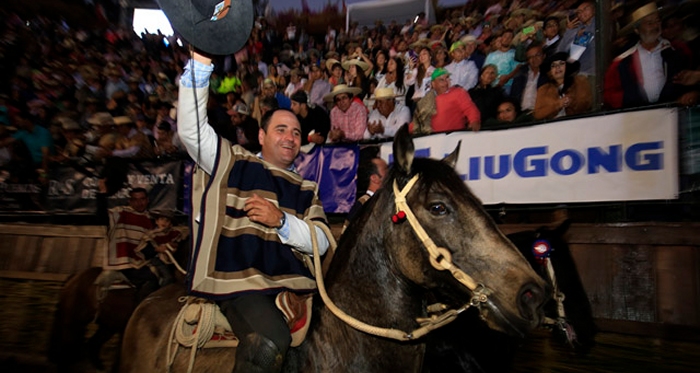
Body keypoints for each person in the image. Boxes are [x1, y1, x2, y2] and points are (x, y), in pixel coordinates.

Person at [178, 51, 332, 373]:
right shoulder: (234, 161)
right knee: (270, 336)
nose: (290, 137)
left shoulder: (307, 188)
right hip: (239, 281)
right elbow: (191, 131)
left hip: (293, 284)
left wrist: (283, 222)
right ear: (261, 135)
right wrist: (201, 64)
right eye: (281, 129)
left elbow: (322, 241)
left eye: (295, 133)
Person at [603, 3, 695, 110]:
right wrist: (631, 100)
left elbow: (692, 79)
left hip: (673, 115)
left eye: (657, 21)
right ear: (637, 30)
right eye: (649, 23)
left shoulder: (679, 52)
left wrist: (693, 93)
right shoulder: (622, 62)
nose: (655, 26)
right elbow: (609, 95)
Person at [533, 52, 592, 120]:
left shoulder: (580, 81)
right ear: (550, 71)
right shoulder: (544, 89)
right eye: (553, 65)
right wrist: (558, 105)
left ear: (567, 66)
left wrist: (571, 101)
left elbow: (586, 104)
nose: (557, 67)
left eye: (561, 63)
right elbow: (538, 114)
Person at [133, 210, 184, 286]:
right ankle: (161, 291)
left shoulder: (174, 233)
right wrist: (157, 249)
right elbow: (144, 248)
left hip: (171, 258)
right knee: (168, 277)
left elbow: (176, 244)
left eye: (167, 221)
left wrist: (172, 246)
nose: (164, 222)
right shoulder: (151, 234)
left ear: (170, 224)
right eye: (162, 219)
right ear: (157, 221)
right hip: (156, 258)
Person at [342, 149, 388, 232]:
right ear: (374, 178)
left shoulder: (387, 201)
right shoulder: (363, 205)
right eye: (386, 170)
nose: (390, 173)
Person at [424, 68, 481, 134]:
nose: (445, 82)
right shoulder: (428, 99)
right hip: (433, 139)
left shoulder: (458, 92)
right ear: (433, 84)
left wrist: (474, 120)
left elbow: (469, 108)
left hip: (454, 137)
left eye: (447, 78)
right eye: (441, 80)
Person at [510, 43, 548, 114]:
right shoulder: (521, 74)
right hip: (522, 113)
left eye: (537, 55)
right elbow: (513, 96)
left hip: (541, 113)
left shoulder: (548, 74)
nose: (534, 59)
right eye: (530, 57)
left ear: (544, 56)